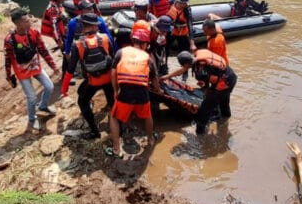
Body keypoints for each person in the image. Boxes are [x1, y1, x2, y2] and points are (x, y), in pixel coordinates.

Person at [107, 23, 161, 157]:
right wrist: (158, 91)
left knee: (113, 117)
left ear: (133, 41)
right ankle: (151, 139)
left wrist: (115, 90)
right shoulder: (147, 57)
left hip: (125, 92)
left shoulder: (121, 52)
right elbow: (154, 78)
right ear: (145, 44)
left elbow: (113, 74)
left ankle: (116, 149)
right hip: (142, 92)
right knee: (147, 116)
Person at [62, 12, 115, 139]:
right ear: (96, 27)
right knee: (112, 102)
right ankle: (119, 128)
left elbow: (70, 69)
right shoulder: (106, 38)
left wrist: (64, 89)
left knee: (82, 102)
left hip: (92, 81)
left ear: (83, 27)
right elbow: (113, 60)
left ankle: (95, 132)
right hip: (108, 79)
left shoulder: (78, 44)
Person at [4, 9, 58, 131]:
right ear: (18, 24)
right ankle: (32, 119)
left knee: (49, 86)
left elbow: (43, 50)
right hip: (21, 72)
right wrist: (8, 76)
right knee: (32, 97)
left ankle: (43, 106)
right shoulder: (10, 40)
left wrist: (53, 66)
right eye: (26, 21)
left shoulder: (34, 33)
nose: (30, 22)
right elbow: (7, 59)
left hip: (35, 66)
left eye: (29, 19)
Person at [163, 50, 237, 135]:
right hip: (231, 76)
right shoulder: (197, 57)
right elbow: (183, 69)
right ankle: (225, 121)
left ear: (186, 64)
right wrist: (167, 76)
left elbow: (206, 88)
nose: (183, 67)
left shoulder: (200, 71)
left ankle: (200, 134)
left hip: (224, 83)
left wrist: (208, 98)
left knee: (205, 109)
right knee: (224, 102)